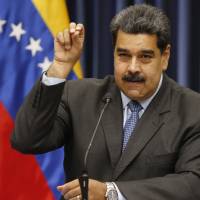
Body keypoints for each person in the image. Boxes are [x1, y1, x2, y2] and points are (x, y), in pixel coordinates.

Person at [11, 4, 200, 200]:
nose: (133, 68)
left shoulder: (192, 111)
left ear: (165, 57)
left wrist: (111, 192)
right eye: (124, 55)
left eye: (145, 57)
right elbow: (26, 140)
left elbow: (194, 184)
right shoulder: (78, 96)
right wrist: (60, 67)